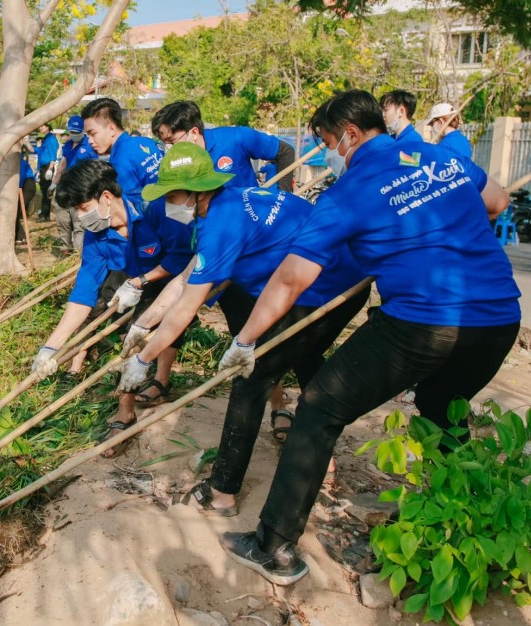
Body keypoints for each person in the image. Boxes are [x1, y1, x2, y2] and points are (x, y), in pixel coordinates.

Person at [212, 89, 519, 586]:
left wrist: (245, 339)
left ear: (351, 134)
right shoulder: (437, 155)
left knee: (317, 408)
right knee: (444, 407)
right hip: (500, 318)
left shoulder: (349, 192)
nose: (330, 153)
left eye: (329, 142)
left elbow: (291, 279)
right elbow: (498, 201)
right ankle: (457, 526)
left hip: (423, 322)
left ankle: (274, 547)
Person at [117, 141, 366, 516]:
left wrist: (143, 359)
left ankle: (223, 493)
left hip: (328, 288)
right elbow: (185, 279)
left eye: (173, 194)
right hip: (336, 276)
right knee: (304, 356)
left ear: (196, 191)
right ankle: (323, 458)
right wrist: (142, 324)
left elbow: (188, 304)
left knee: (251, 379)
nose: (169, 201)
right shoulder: (226, 201)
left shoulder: (221, 224)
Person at [31, 159, 192, 458]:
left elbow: (182, 256)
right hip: (134, 277)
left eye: (82, 208)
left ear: (105, 196)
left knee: (164, 325)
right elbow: (83, 293)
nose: (81, 218)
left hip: (175, 274)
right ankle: (127, 412)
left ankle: (148, 393)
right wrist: (51, 347)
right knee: (130, 336)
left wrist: (144, 280)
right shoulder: (97, 235)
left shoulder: (154, 208)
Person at [151, 100, 296, 193]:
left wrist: (282, 197)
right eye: (163, 143)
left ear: (194, 132)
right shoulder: (174, 164)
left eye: (171, 141)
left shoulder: (236, 138)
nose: (168, 148)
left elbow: (285, 151)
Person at [80, 98, 163, 210]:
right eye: (87, 135)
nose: (89, 140)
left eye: (92, 133)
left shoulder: (120, 161)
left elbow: (129, 209)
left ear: (111, 129)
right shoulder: (149, 142)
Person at [51, 115, 98, 251]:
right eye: (72, 132)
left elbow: (94, 169)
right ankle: (65, 251)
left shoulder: (90, 146)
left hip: (81, 190)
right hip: (64, 188)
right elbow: (63, 164)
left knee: (79, 224)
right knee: (62, 221)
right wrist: (54, 183)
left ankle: (78, 256)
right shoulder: (68, 145)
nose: (74, 135)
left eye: (77, 132)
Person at [31, 122, 61, 221]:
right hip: (43, 167)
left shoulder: (51, 139)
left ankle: (45, 214)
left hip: (48, 166)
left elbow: (53, 155)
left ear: (48, 127)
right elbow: (39, 152)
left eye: (42, 126)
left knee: (46, 191)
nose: (40, 127)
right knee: (44, 190)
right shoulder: (46, 139)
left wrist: (50, 169)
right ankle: (45, 214)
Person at [17, 146, 36, 244]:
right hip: (22, 186)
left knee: (16, 211)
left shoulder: (20, 162)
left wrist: (18, 186)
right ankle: (19, 236)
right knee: (15, 211)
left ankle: (21, 237)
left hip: (28, 186)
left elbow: (20, 177)